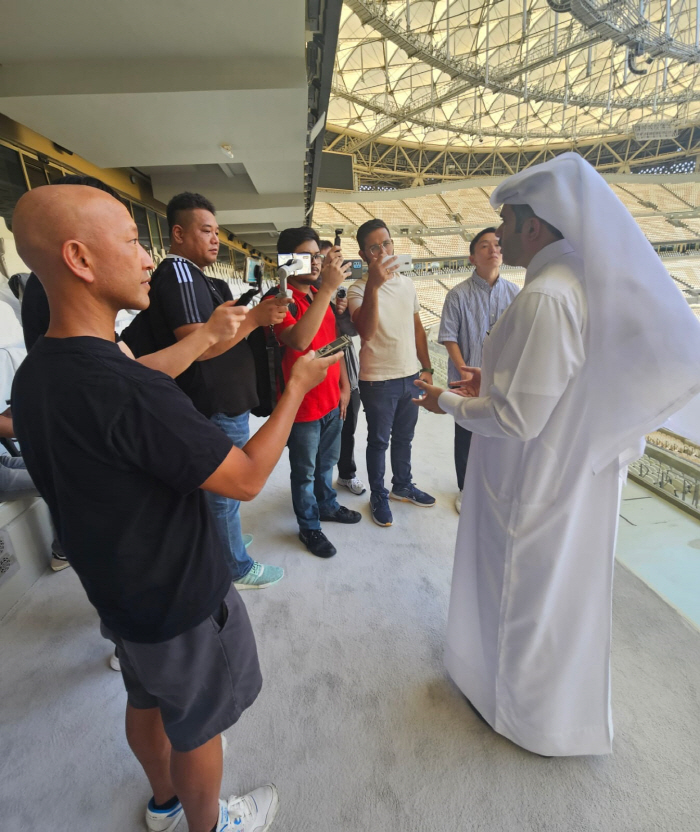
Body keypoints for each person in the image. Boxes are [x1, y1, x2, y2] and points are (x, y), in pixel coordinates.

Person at [11, 184, 339, 832]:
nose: (146, 258)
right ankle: (208, 824)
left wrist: (213, 337)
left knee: (146, 696)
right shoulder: (127, 389)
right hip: (179, 597)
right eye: (132, 241)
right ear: (79, 258)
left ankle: (163, 803)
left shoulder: (40, 372)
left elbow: (134, 385)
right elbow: (244, 479)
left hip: (119, 592)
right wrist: (297, 388)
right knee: (197, 725)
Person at [415, 152, 700, 757]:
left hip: (534, 478)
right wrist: (485, 385)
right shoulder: (573, 282)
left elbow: (518, 418)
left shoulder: (549, 294)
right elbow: (546, 382)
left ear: (534, 226)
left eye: (507, 224)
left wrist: (447, 401)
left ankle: (522, 715)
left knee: (527, 596)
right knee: (549, 596)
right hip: (562, 470)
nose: (499, 237)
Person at [141, 192, 291, 589]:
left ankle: (224, 544)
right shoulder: (178, 272)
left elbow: (219, 334)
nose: (214, 239)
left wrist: (251, 312)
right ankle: (235, 568)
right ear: (178, 233)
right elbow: (199, 346)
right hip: (214, 406)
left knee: (221, 499)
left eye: (216, 232)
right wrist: (256, 318)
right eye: (205, 230)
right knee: (224, 494)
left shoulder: (198, 276)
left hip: (226, 404)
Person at [274, 227, 361, 558]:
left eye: (318, 256)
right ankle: (309, 527)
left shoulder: (316, 296)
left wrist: (342, 387)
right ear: (286, 261)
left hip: (330, 401)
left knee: (327, 465)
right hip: (303, 409)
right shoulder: (280, 299)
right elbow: (298, 340)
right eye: (305, 256)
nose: (314, 262)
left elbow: (329, 344)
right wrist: (326, 289)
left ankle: (327, 505)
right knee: (304, 472)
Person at [348, 218, 435, 527]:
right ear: (364, 255)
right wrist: (373, 283)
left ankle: (402, 485)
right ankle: (378, 495)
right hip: (377, 381)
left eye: (386, 243)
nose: (383, 251)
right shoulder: (357, 290)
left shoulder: (407, 283)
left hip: (410, 375)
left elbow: (417, 328)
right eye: (375, 247)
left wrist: (426, 367)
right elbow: (366, 331)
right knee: (379, 442)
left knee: (404, 438)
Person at [438, 227, 518, 513]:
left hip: (501, 382)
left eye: (497, 244)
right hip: (465, 382)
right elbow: (449, 337)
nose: (493, 250)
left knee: (498, 435)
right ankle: (465, 490)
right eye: (484, 246)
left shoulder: (515, 293)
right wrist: (465, 373)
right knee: (466, 436)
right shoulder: (458, 295)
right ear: (472, 257)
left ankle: (493, 486)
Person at [318, 239, 366, 496]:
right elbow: (318, 347)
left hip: (351, 377)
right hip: (325, 381)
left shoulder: (340, 295)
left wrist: (341, 315)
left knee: (348, 431)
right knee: (321, 440)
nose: (331, 267)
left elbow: (351, 334)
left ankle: (346, 475)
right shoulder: (311, 298)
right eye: (326, 261)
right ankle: (319, 488)